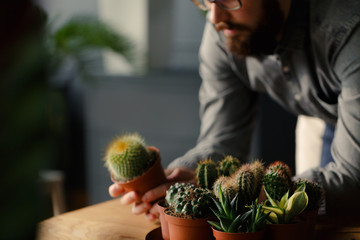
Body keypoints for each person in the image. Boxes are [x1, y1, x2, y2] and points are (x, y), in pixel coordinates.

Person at [109, 0, 360, 219]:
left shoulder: (348, 29)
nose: (214, 17)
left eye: (229, 0)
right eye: (205, 0)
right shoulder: (224, 30)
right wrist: (184, 177)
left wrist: (248, 194)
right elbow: (223, 140)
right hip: (329, 116)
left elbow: (353, 180)